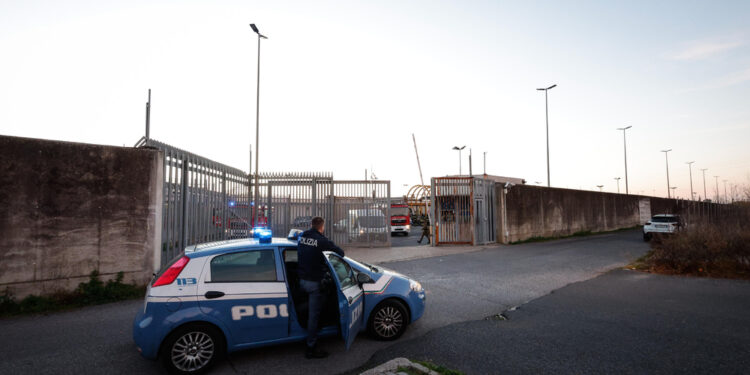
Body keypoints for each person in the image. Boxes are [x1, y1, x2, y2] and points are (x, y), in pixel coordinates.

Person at [297, 216, 345, 359]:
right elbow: (340, 253)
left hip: (302, 281)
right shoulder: (321, 241)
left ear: (311, 225)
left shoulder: (302, 236)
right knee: (314, 316)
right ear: (321, 227)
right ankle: (311, 348)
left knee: (317, 304)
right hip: (314, 283)